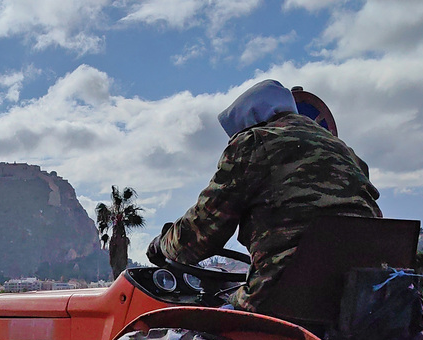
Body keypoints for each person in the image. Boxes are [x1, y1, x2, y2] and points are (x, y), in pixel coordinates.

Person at [147, 79, 381, 312]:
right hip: (363, 298)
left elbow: (201, 232)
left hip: (283, 294)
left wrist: (162, 245)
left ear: (249, 123)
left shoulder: (253, 143)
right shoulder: (346, 152)